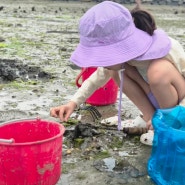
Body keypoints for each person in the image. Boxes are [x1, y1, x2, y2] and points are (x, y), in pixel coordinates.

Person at [50, 1, 185, 146]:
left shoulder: (167, 49)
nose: (101, 62)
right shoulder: (118, 61)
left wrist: (176, 115)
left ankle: (169, 126)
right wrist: (73, 103)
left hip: (179, 109)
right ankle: (152, 119)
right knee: (116, 73)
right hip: (156, 104)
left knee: (158, 72)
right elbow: (95, 79)